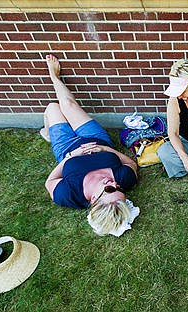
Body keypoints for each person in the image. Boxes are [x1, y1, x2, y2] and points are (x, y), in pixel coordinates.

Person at [40, 55, 138, 237]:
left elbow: (50, 182)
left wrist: (72, 156)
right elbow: (131, 164)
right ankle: (55, 77)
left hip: (66, 148)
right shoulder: (124, 178)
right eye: (119, 190)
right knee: (68, 105)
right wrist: (105, 150)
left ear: (94, 199)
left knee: (52, 107)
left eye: (110, 189)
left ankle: (48, 132)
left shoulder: (70, 195)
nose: (115, 184)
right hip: (95, 138)